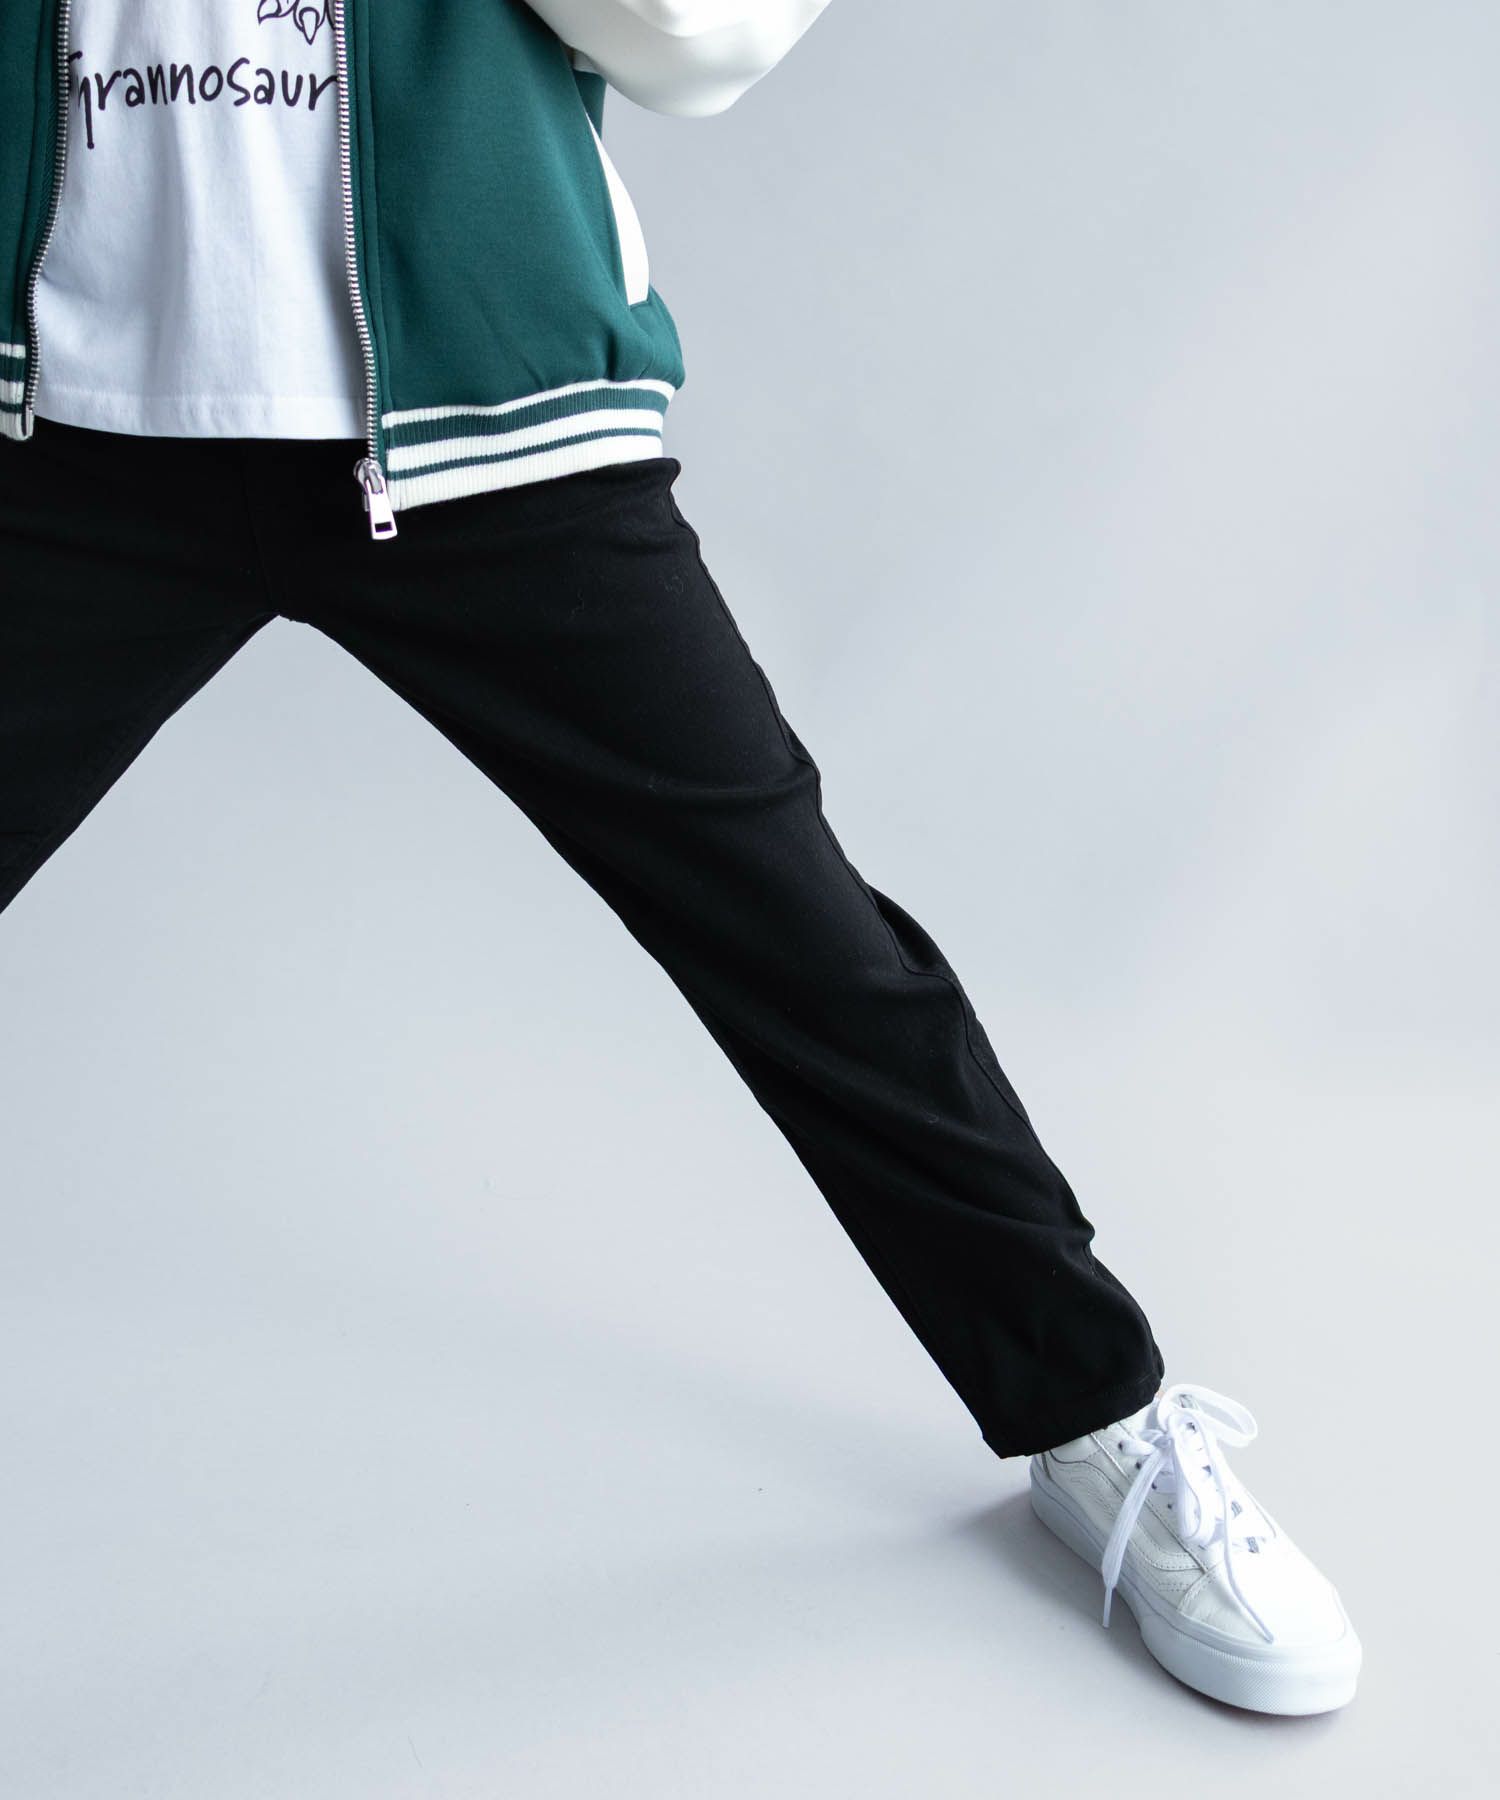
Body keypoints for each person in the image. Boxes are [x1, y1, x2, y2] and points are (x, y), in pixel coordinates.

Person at [0, 1, 1361, 1716]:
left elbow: (701, 39)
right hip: (73, 413)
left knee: (802, 941)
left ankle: (1097, 1416)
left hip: (488, 407)